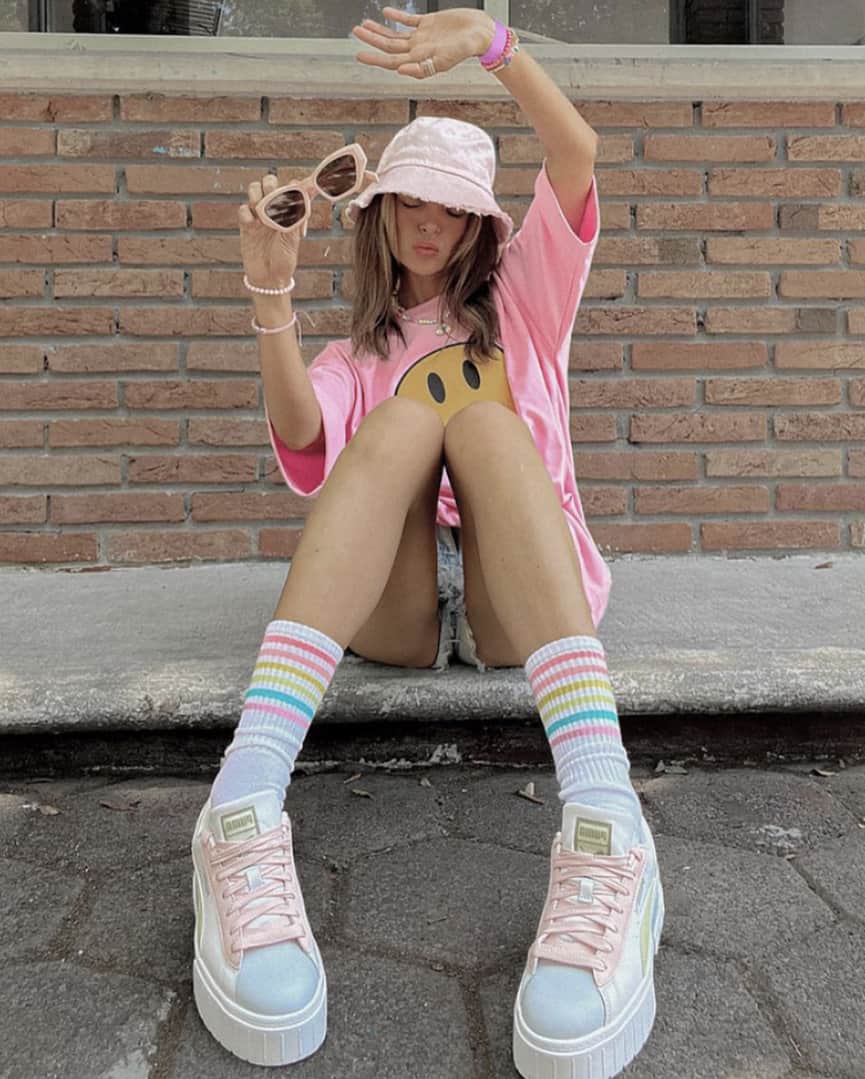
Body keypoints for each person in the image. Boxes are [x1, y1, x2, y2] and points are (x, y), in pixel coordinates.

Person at [189, 6, 664, 1077]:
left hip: (517, 599)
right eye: (407, 198)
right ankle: (241, 799)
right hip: (399, 603)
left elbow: (575, 151)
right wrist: (269, 296)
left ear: (478, 225)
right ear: (381, 211)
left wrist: (492, 47)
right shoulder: (359, 350)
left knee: (484, 424)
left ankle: (605, 812)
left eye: (450, 206)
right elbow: (308, 443)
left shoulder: (527, 304)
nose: (426, 223)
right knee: (405, 416)